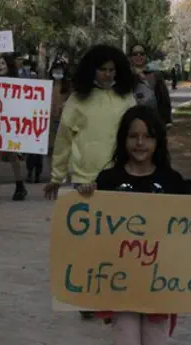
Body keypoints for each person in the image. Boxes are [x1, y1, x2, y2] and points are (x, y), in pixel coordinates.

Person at [77, 106, 191, 345]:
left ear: (158, 141)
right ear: (123, 139)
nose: (140, 143)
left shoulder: (172, 181)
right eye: (133, 136)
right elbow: (91, 223)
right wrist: (86, 195)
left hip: (159, 286)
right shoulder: (107, 181)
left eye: (148, 136)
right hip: (119, 285)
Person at [44, 44, 136, 320]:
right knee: (89, 243)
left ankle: (110, 297)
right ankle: (87, 297)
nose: (108, 74)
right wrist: (56, 177)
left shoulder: (127, 99)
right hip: (85, 181)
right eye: (102, 69)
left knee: (116, 242)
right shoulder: (77, 101)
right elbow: (63, 140)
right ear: (91, 70)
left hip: (121, 179)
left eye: (112, 70)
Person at [0, 54, 28, 206]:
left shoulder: (17, 83)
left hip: (11, 125)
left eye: (3, 63)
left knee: (12, 156)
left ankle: (20, 185)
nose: (0, 66)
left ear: (9, 65)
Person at [130, 44, 172, 129]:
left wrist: (167, 120)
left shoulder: (155, 75)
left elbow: (164, 99)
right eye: (135, 54)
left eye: (141, 54)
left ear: (146, 56)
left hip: (153, 120)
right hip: (132, 120)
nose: (138, 56)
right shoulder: (126, 75)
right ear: (130, 57)